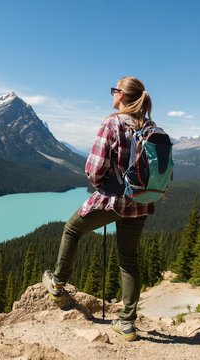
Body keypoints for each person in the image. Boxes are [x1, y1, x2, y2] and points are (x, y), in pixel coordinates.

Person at [42, 76, 155, 341]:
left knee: (71, 230)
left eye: (114, 90)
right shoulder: (151, 127)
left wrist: (101, 184)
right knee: (128, 259)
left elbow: (94, 169)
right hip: (140, 202)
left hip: (114, 200)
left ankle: (58, 283)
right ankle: (127, 323)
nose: (112, 94)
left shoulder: (112, 123)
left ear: (123, 96)